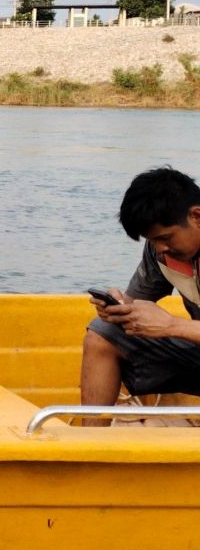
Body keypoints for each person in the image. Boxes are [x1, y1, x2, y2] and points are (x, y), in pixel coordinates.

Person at [81, 167, 200, 425]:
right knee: (103, 333)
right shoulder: (161, 251)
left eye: (165, 238)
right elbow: (135, 301)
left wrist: (172, 325)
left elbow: (171, 326)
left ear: (196, 216)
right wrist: (119, 308)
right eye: (152, 240)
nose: (160, 248)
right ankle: (89, 442)